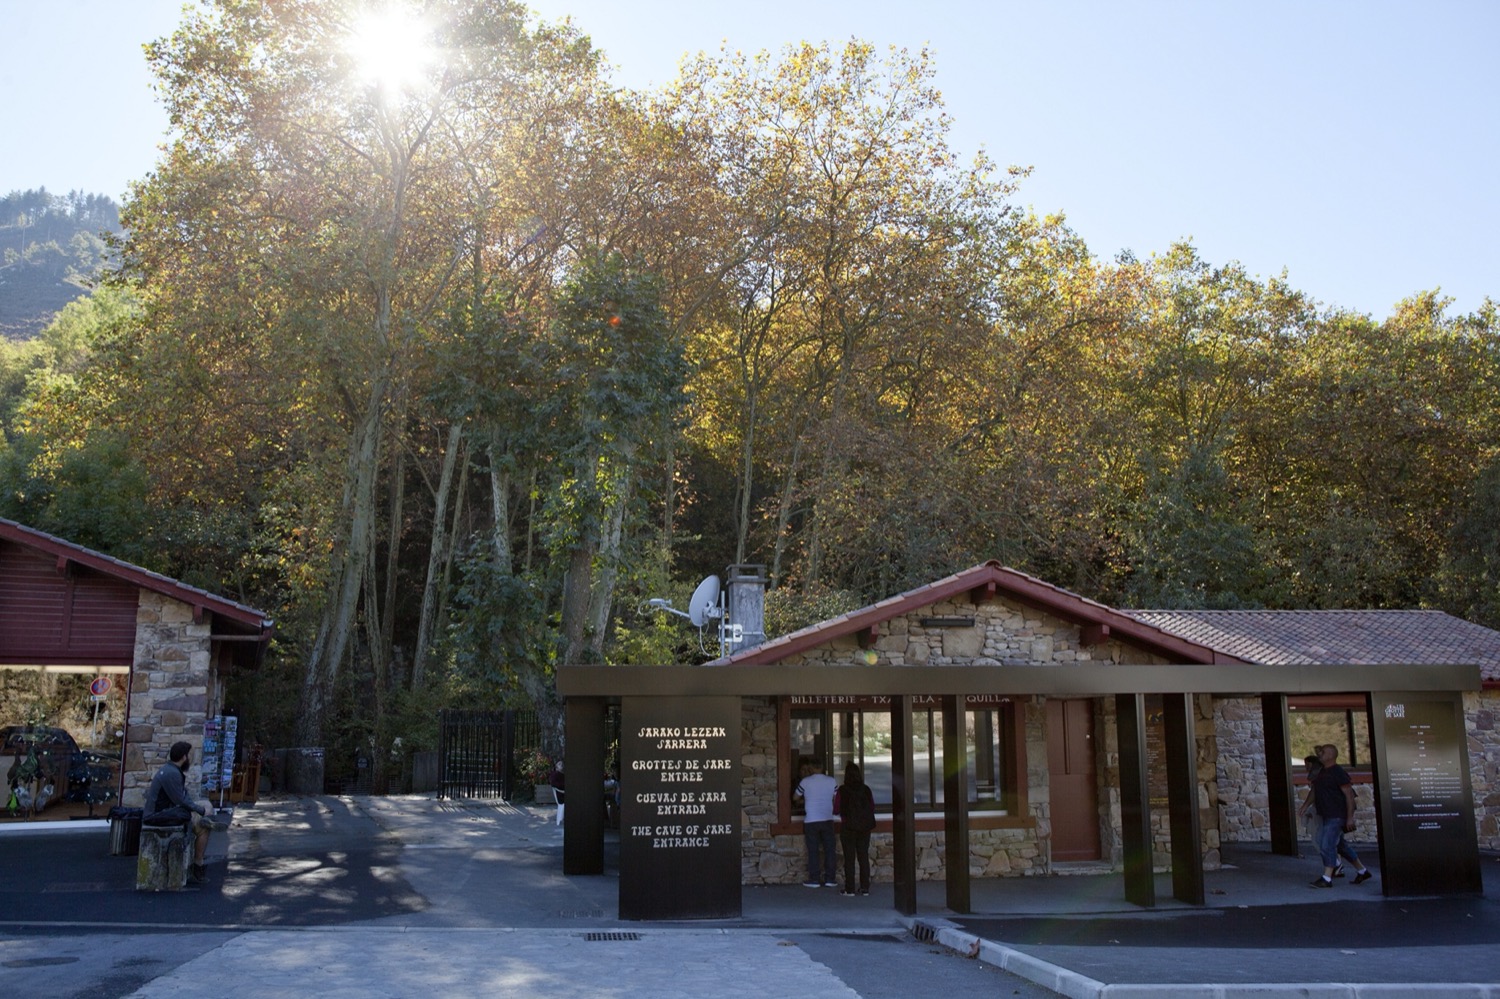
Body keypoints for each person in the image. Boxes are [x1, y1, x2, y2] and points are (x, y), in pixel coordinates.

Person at [143, 741, 214, 884]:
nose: (190, 758)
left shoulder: (171, 770)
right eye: (189, 755)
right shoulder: (172, 773)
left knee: (207, 805)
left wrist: (201, 807)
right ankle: (198, 865)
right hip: (158, 815)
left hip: (165, 810)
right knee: (202, 827)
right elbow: (180, 800)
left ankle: (210, 820)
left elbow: (183, 795)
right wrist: (199, 810)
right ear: (183, 757)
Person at [1301, 743, 1372, 888]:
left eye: (1324, 752)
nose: (1320, 754)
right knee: (1340, 846)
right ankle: (1362, 870)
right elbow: (1314, 791)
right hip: (1326, 814)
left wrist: (1350, 817)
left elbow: (1349, 796)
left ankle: (1327, 878)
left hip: (1337, 815)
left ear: (1331, 756)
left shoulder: (1338, 772)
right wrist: (1305, 805)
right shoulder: (1320, 772)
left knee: (1325, 843)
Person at [793, 757, 838, 888]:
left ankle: (814, 879)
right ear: (822, 767)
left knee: (813, 850)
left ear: (812, 768)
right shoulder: (831, 781)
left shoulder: (805, 781)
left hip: (811, 820)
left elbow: (795, 797)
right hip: (828, 819)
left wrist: (805, 799)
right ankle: (830, 879)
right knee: (830, 849)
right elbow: (837, 798)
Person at [834, 761, 876, 896]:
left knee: (849, 858)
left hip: (848, 827)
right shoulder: (866, 789)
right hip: (865, 828)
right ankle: (865, 888)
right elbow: (872, 807)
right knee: (863, 857)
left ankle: (849, 888)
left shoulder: (842, 790)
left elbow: (836, 809)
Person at [548, 760, 566, 825]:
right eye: (559, 764)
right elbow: (554, 784)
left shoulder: (563, 775)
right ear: (556, 767)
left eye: (562, 764)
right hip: (561, 795)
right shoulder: (555, 774)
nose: (561, 764)